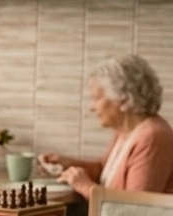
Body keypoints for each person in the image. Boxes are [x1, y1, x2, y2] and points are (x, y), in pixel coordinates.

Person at [41, 54, 173, 199]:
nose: (92, 107)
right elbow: (102, 171)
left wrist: (85, 187)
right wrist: (67, 164)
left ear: (123, 98)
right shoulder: (125, 130)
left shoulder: (153, 137)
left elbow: (136, 208)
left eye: (96, 98)